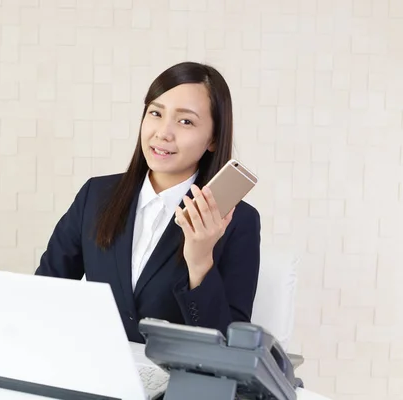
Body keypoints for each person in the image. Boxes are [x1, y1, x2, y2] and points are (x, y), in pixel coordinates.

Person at [35, 61, 261, 344]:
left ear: (213, 138)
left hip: (177, 383)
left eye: (185, 121)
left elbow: (230, 346)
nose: (163, 133)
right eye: (155, 113)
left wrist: (200, 261)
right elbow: (44, 293)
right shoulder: (96, 196)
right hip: (100, 371)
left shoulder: (238, 221)